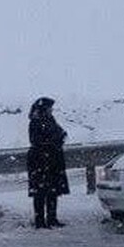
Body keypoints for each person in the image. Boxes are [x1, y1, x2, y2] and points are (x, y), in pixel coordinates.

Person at [27, 97, 70, 228]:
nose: (51, 110)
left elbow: (60, 133)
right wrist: (53, 141)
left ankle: (52, 218)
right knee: (40, 192)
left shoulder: (50, 120)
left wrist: (58, 138)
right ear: (44, 109)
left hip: (52, 160)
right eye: (49, 108)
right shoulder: (35, 122)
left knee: (53, 191)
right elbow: (36, 141)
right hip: (40, 160)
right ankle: (39, 221)